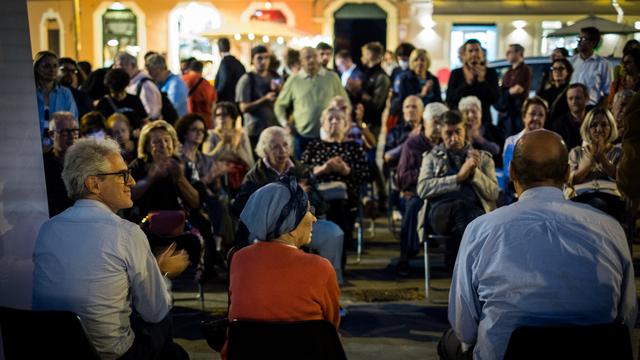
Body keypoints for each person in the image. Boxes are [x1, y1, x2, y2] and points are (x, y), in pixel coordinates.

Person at [441, 129, 636, 360]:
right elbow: (628, 315)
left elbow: (464, 327)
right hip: (598, 352)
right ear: (566, 174)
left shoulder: (481, 230)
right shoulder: (610, 228)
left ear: (511, 172)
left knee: (450, 342)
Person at [33, 138, 190, 360]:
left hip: (51, 349)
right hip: (108, 355)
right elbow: (154, 311)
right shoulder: (126, 233)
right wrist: (161, 273)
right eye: (123, 175)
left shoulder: (47, 230)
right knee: (167, 333)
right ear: (94, 184)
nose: (133, 182)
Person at [222, 177, 340, 359]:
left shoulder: (239, 259)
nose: (315, 219)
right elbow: (331, 327)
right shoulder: (321, 268)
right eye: (308, 210)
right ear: (291, 225)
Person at [232, 126, 345, 284]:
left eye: (285, 145)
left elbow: (321, 206)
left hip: (301, 227)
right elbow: (240, 207)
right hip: (269, 232)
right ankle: (263, 287)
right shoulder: (255, 175)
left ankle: (330, 284)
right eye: (275, 147)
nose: (282, 151)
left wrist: (305, 198)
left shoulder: (300, 170)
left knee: (333, 232)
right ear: (265, 150)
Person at [416, 110, 498, 270]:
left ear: (465, 131)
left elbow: (493, 194)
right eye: (448, 133)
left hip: (473, 213)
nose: (453, 137)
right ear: (441, 132)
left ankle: (456, 264)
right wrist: (458, 178)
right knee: (460, 207)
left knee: (464, 217)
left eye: (457, 131)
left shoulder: (482, 158)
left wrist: (474, 173)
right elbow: (422, 189)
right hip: (441, 214)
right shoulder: (432, 157)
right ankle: (467, 268)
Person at [301, 107, 369, 252]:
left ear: (346, 125)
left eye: (339, 119)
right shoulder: (314, 145)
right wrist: (323, 168)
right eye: (330, 119)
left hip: (345, 196)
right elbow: (302, 173)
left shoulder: (353, 147)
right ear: (323, 124)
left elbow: (364, 176)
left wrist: (345, 170)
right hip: (316, 194)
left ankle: (337, 257)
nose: (334, 122)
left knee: (338, 201)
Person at [396, 102, 448, 275]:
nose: (439, 127)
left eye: (442, 122)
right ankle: (405, 256)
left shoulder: (448, 143)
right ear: (424, 123)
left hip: (443, 192)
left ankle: (454, 257)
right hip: (417, 191)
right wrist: (426, 172)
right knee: (413, 206)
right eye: (435, 122)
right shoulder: (413, 144)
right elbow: (402, 177)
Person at [275, 47, 348, 157]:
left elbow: (345, 102)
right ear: (301, 61)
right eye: (308, 57)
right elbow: (279, 105)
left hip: (328, 136)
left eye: (315, 56)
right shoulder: (294, 80)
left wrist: (344, 124)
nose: (312, 60)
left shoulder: (332, 77)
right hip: (302, 136)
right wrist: (285, 124)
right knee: (302, 170)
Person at [567, 108, 624, 220]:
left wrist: (602, 158)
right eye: (594, 125)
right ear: (587, 129)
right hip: (581, 196)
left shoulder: (618, 151)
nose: (599, 129)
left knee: (598, 204)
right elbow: (571, 180)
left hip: (611, 197)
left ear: (611, 128)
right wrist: (591, 161)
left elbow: (620, 178)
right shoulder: (576, 152)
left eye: (604, 125)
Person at [236, 45, 281, 150]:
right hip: (255, 130)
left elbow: (282, 98)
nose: (263, 61)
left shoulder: (275, 76)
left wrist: (279, 90)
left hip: (273, 128)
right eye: (259, 58)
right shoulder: (247, 79)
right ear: (253, 60)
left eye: (266, 58)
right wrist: (264, 99)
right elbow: (243, 108)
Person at [446, 39, 499, 127]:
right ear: (464, 55)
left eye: (477, 50)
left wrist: (482, 81)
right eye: (470, 51)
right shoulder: (456, 73)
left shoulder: (491, 73)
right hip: (461, 121)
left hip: (484, 121)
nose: (474, 54)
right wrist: (467, 83)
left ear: (482, 54)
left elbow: (495, 99)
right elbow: (450, 99)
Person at [502, 96, 548, 194]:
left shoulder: (552, 142)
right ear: (524, 117)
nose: (536, 118)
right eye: (532, 114)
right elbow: (508, 174)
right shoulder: (511, 142)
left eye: (540, 115)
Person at [34, 51, 78, 143]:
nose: (52, 70)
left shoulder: (65, 93)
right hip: (32, 146)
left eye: (55, 66)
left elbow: (72, 122)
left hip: (58, 147)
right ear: (37, 68)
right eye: (47, 66)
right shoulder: (30, 92)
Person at [43, 112, 79, 217]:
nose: (72, 136)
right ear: (51, 134)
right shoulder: (42, 165)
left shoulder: (86, 162)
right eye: (65, 132)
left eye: (75, 130)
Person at [569, 26, 612, 107]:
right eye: (579, 38)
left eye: (584, 39)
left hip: (591, 108)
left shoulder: (603, 64)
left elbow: (607, 93)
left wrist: (598, 111)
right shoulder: (571, 62)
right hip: (571, 109)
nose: (579, 42)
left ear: (593, 43)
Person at [113, 52, 162, 120]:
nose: (118, 71)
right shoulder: (132, 84)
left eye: (122, 68)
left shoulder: (145, 86)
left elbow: (151, 114)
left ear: (133, 65)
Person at [458, 96, 504, 168]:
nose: (470, 115)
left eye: (474, 111)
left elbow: (498, 151)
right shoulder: (458, 134)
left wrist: (479, 138)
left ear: (480, 112)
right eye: (466, 112)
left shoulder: (493, 130)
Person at [498, 44, 532, 137]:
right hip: (507, 113)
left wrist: (505, 92)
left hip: (517, 113)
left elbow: (518, 89)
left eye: (510, 52)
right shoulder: (509, 72)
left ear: (519, 53)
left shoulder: (524, 70)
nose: (507, 54)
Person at [360, 42, 391, 137]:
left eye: (364, 54)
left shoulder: (381, 76)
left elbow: (377, 104)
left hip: (373, 125)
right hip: (363, 121)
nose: (362, 57)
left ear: (370, 55)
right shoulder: (368, 73)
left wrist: (359, 92)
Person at [550, 83, 589, 151]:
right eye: (570, 98)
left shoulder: (594, 120)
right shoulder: (558, 125)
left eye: (577, 98)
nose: (574, 101)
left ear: (586, 99)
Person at [183, 60, 217, 128]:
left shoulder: (182, 80)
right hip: (204, 123)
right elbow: (213, 106)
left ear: (189, 69)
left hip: (186, 121)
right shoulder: (208, 85)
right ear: (201, 70)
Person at [215, 37, 246, 103]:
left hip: (227, 102)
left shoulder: (225, 63)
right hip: (238, 100)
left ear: (219, 49)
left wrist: (216, 96)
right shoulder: (238, 63)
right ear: (229, 47)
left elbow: (223, 83)